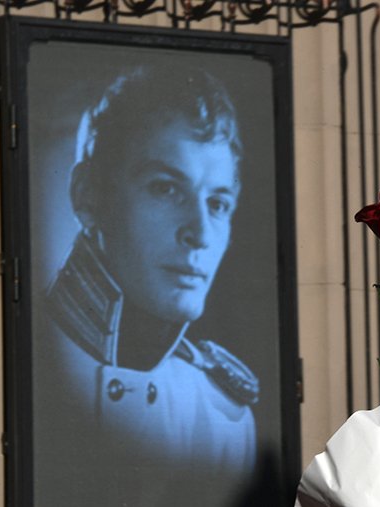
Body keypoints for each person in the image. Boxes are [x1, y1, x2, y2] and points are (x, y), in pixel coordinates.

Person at [34, 64, 259, 506]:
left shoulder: (225, 416)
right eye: (165, 189)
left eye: (217, 203)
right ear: (88, 195)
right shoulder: (30, 363)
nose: (200, 233)